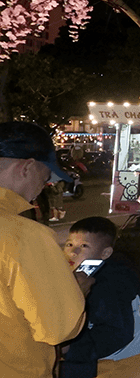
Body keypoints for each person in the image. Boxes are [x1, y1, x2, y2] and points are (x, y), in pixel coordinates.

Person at [0, 122, 87, 378]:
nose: (44, 186)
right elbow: (58, 328)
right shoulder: (23, 236)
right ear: (26, 167)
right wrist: (77, 289)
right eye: (45, 176)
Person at [60, 217, 140, 378]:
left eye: (84, 246)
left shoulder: (111, 283)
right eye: (69, 244)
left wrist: (73, 349)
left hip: (116, 360)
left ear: (105, 253)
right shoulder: (83, 274)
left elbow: (117, 332)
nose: (73, 252)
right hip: (101, 357)